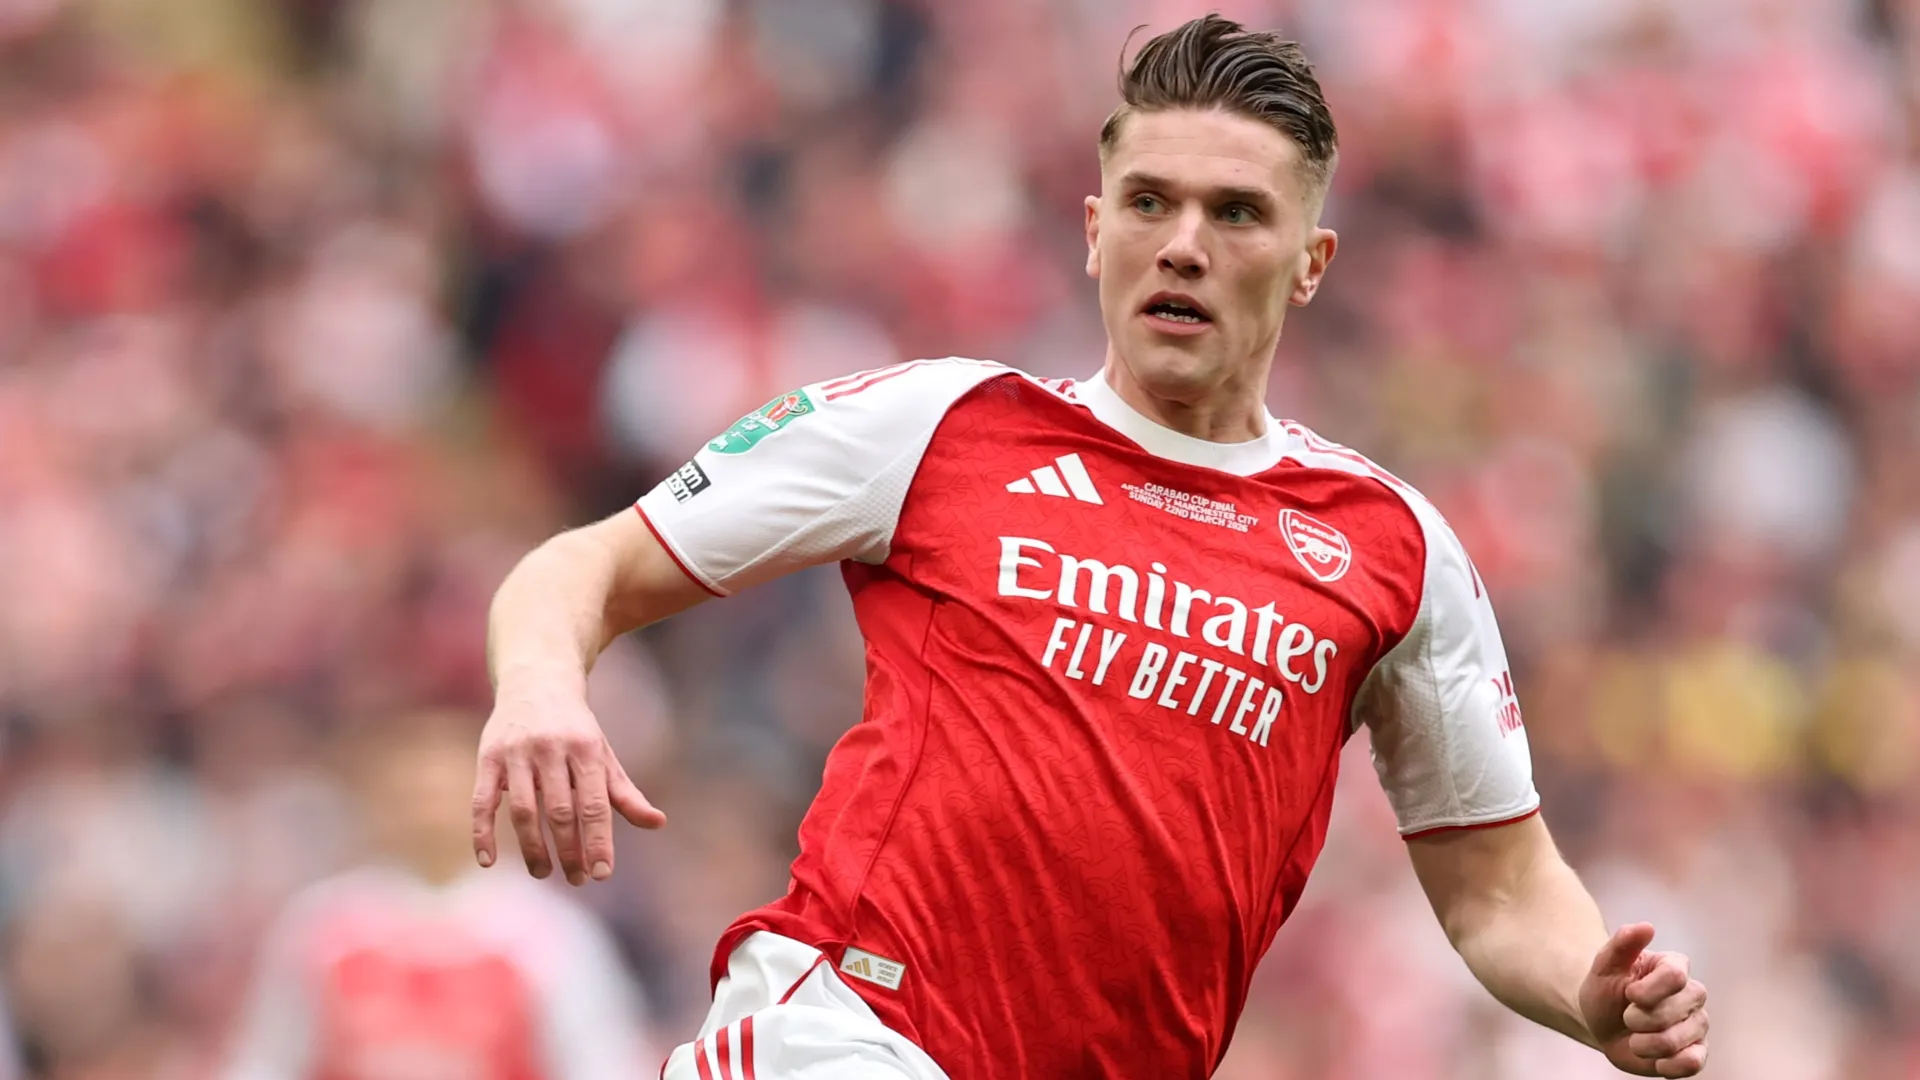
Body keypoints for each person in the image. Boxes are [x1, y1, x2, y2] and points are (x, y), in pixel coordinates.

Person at [471, 15, 1710, 1080]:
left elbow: (1498, 887)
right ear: (1092, 229)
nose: (1183, 244)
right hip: (843, 1033)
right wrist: (539, 686)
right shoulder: (942, 424)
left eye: (1237, 213)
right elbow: (579, 567)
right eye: (1149, 203)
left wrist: (1591, 1003)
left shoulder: (1390, 547)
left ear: (1313, 264)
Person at [226, 711, 655, 1080]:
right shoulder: (323, 926)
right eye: (412, 796)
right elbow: (268, 1061)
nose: (428, 813)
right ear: (377, 803)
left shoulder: (545, 933)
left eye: (444, 794)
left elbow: (602, 1063)